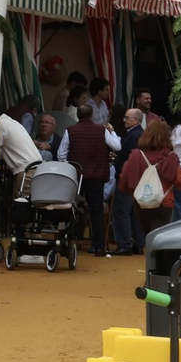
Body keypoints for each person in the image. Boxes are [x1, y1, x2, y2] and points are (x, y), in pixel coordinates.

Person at [60, 103, 120, 256]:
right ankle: (98, 246)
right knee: (97, 211)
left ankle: (71, 239)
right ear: (92, 115)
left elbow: (61, 154)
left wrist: (70, 168)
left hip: (77, 176)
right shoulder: (102, 131)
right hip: (97, 175)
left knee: (72, 208)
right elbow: (117, 146)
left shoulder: (70, 131)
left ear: (78, 116)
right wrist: (112, 132)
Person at [118, 119, 181, 237]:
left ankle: (149, 254)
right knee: (160, 238)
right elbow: (179, 180)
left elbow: (124, 178)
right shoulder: (171, 157)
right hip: (164, 202)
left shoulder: (136, 155)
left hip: (141, 203)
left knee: (148, 236)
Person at [111, 108, 146, 255]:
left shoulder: (134, 136)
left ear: (136, 120)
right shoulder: (138, 134)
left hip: (128, 178)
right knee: (133, 212)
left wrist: (119, 162)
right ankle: (138, 243)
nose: (124, 120)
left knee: (121, 211)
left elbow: (130, 159)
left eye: (127, 117)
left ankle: (124, 244)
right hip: (136, 178)